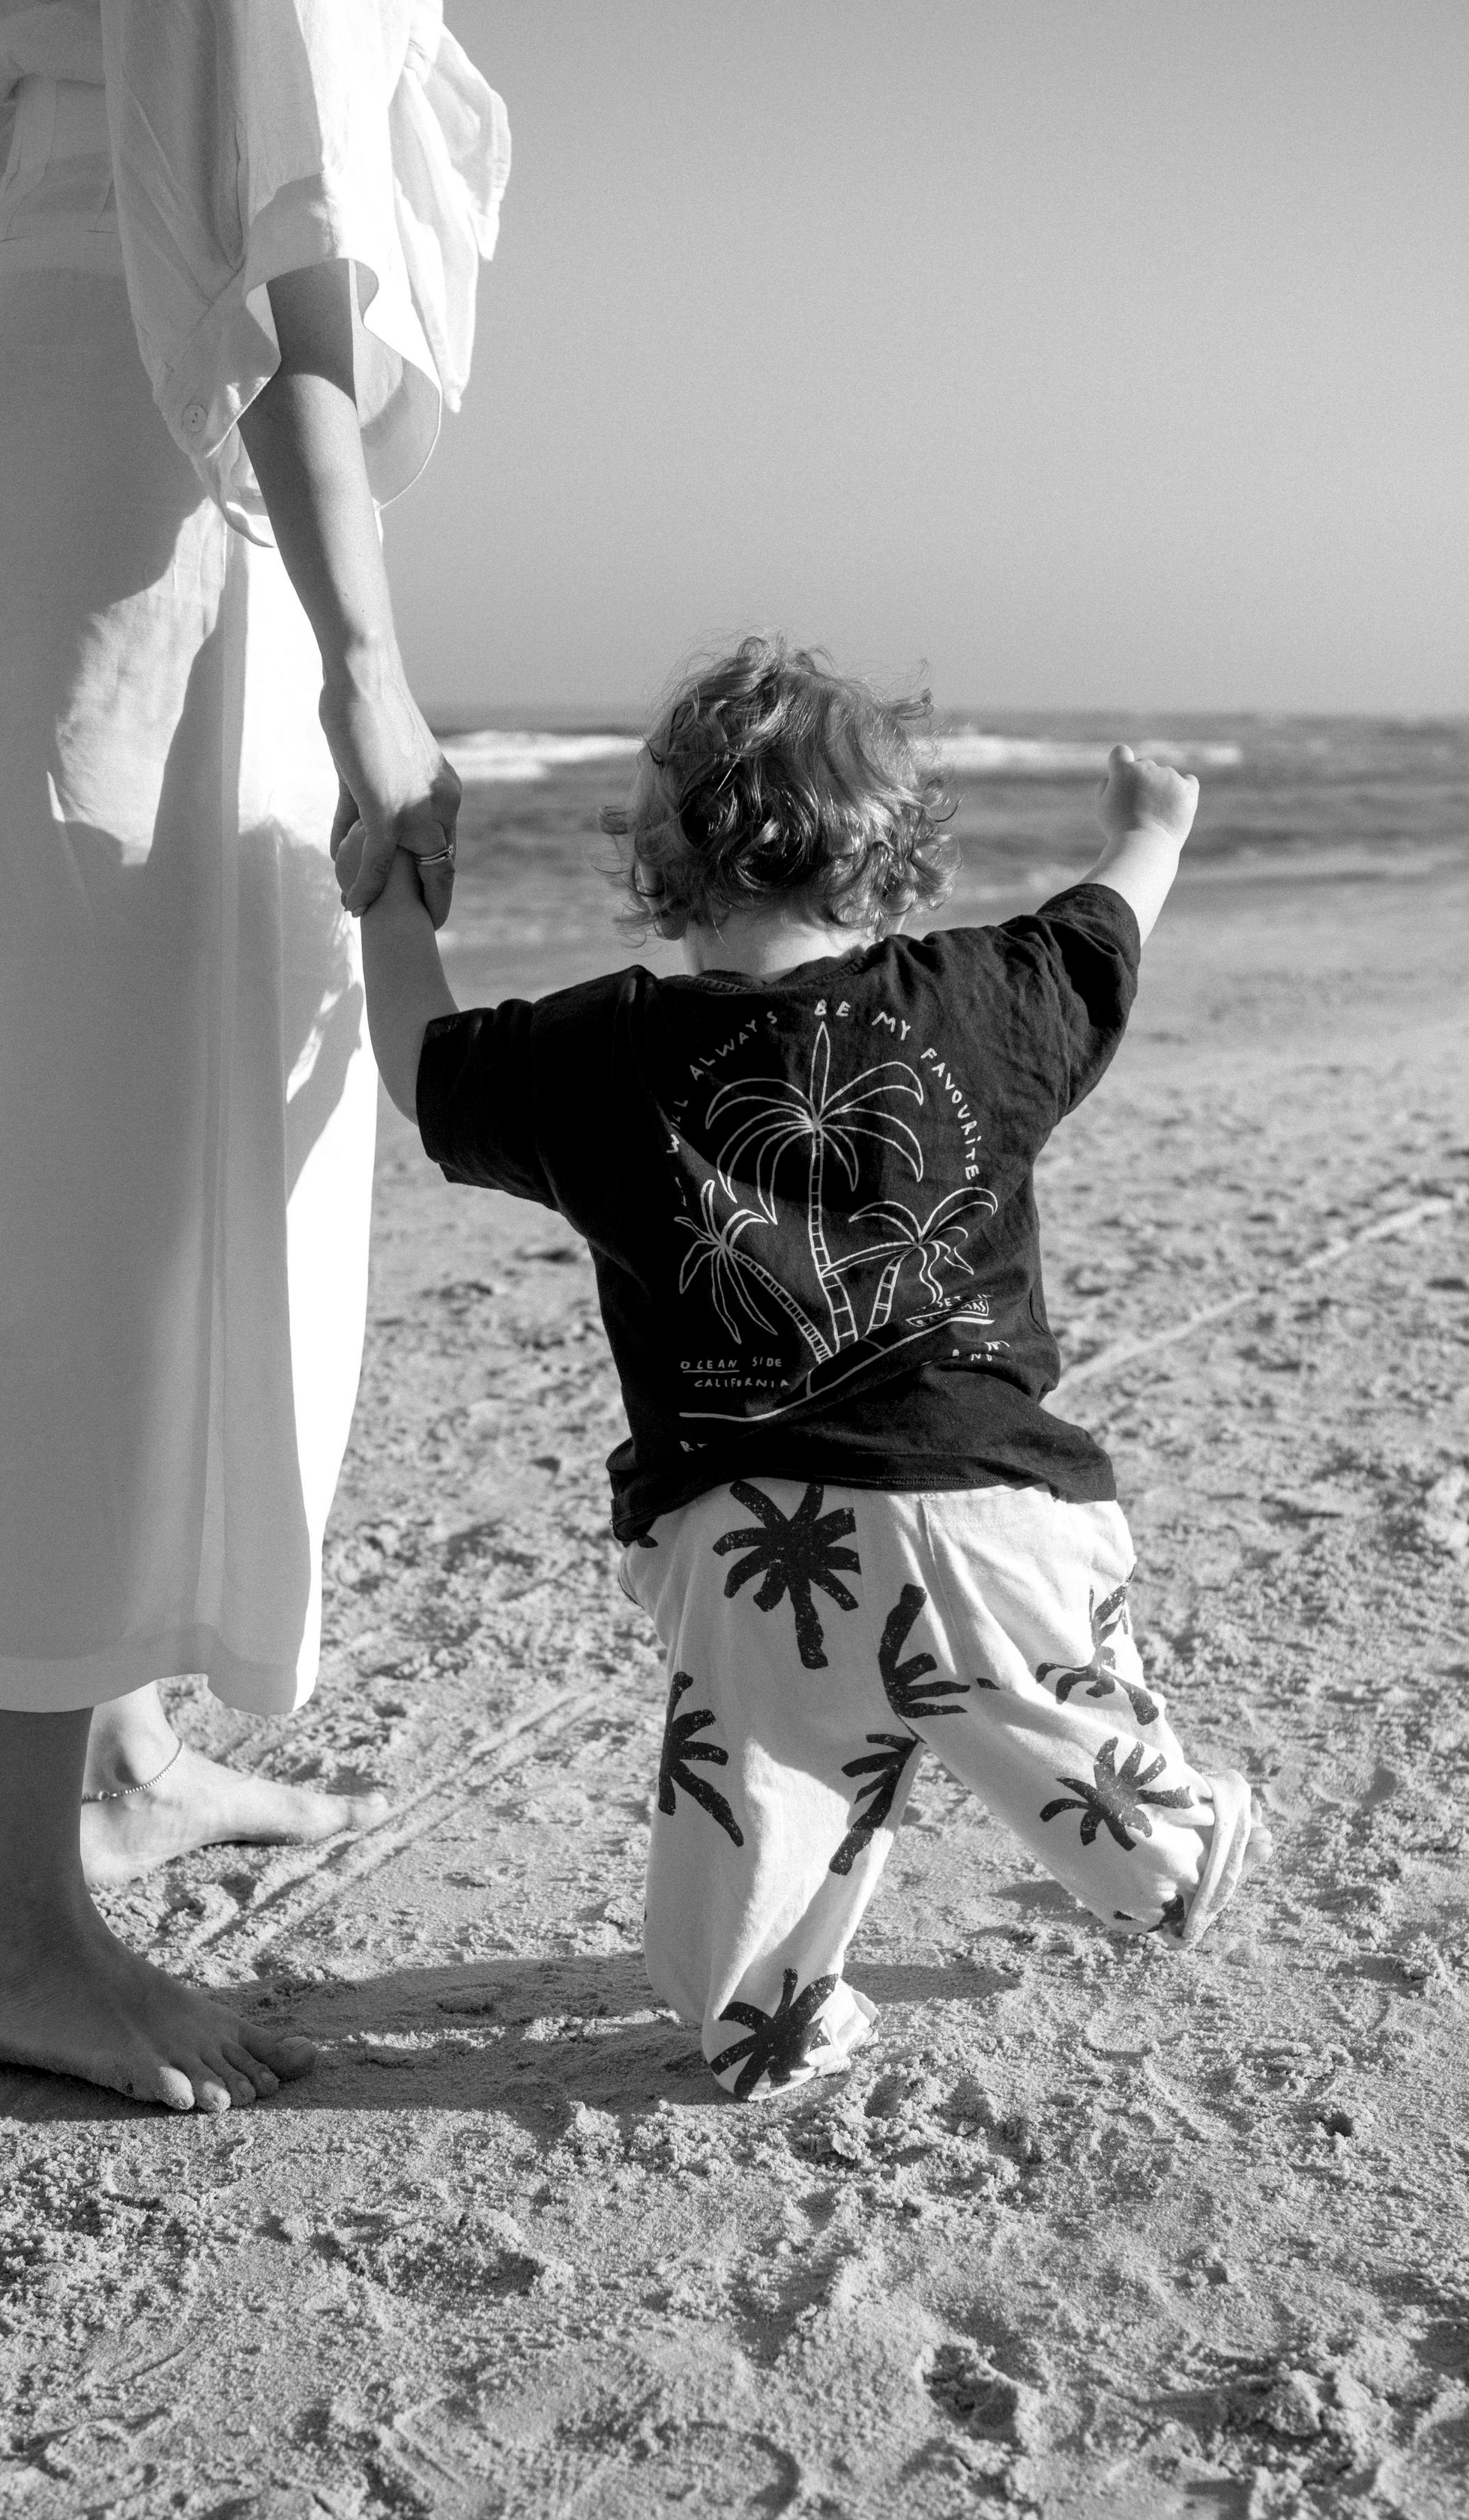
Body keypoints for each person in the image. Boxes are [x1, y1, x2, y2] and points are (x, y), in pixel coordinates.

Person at [359, 638, 1270, 2100]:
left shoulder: (606, 1052)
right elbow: (1101, 936)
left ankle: (764, 2016)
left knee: (757, 1799)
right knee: (1051, 1718)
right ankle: (1171, 1846)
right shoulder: (982, 998)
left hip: (751, 1544)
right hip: (987, 1509)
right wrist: (1147, 828)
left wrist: (391, 901)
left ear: (658, 858)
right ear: (893, 850)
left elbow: (424, 1068)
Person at [0, 1, 507, 2112]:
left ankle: (119, 1757)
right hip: (139, 404)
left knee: (110, 1109)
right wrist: (374, 669)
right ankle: (14, 1920)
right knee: (103, 1160)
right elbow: (267, 258)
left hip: (66, 360)